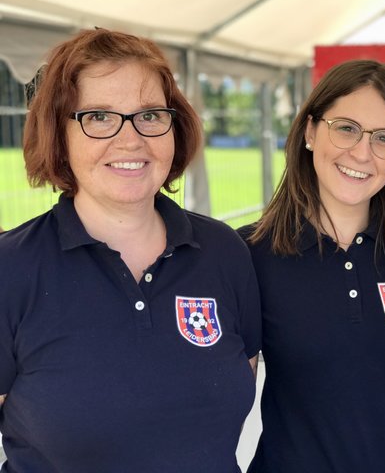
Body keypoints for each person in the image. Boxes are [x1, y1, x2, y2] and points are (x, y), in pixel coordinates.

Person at [0, 28, 261, 472]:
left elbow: (239, 381)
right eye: (100, 116)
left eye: (150, 115)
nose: (131, 139)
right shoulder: (11, 268)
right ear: (58, 132)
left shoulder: (224, 252)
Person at [239, 59, 385, 472]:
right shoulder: (250, 254)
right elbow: (218, 402)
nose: (362, 153)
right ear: (310, 131)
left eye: (384, 139)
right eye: (346, 128)